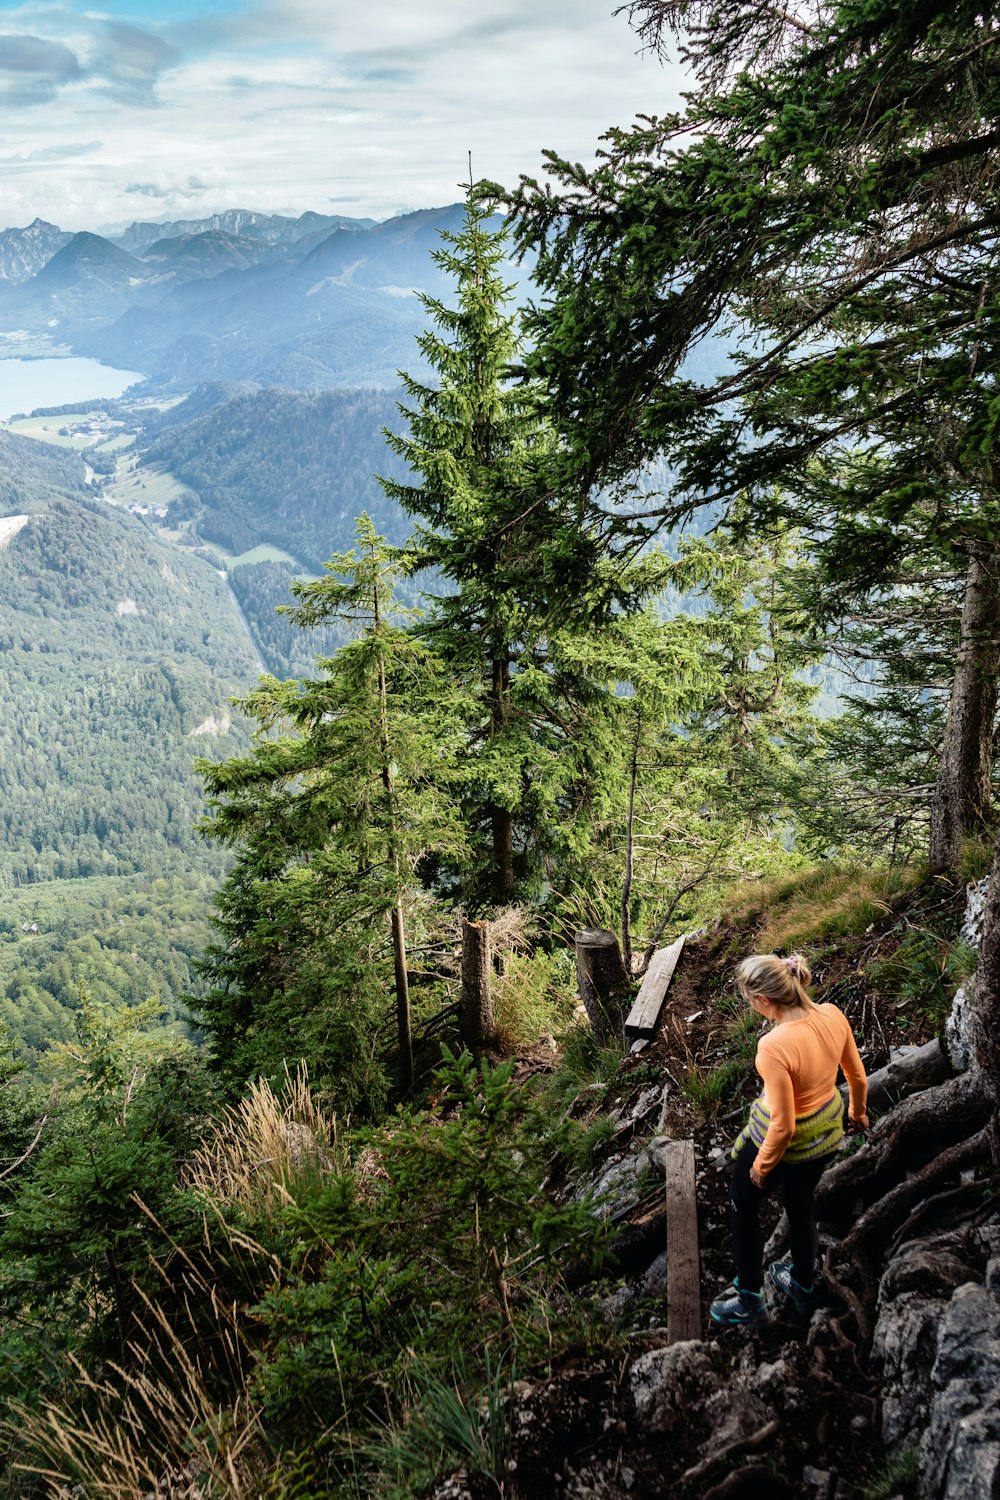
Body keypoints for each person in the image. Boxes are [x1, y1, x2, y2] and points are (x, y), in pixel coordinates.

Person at [709, 952, 868, 1328]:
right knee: (800, 1206)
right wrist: (857, 1114)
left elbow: (782, 1125)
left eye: (750, 1002)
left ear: (764, 1000)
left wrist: (762, 1168)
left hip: (784, 1143)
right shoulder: (832, 1014)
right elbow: (857, 1078)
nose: (751, 1009)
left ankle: (750, 1299)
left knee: (741, 1206)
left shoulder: (773, 1047)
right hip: (824, 1136)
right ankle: (803, 1285)